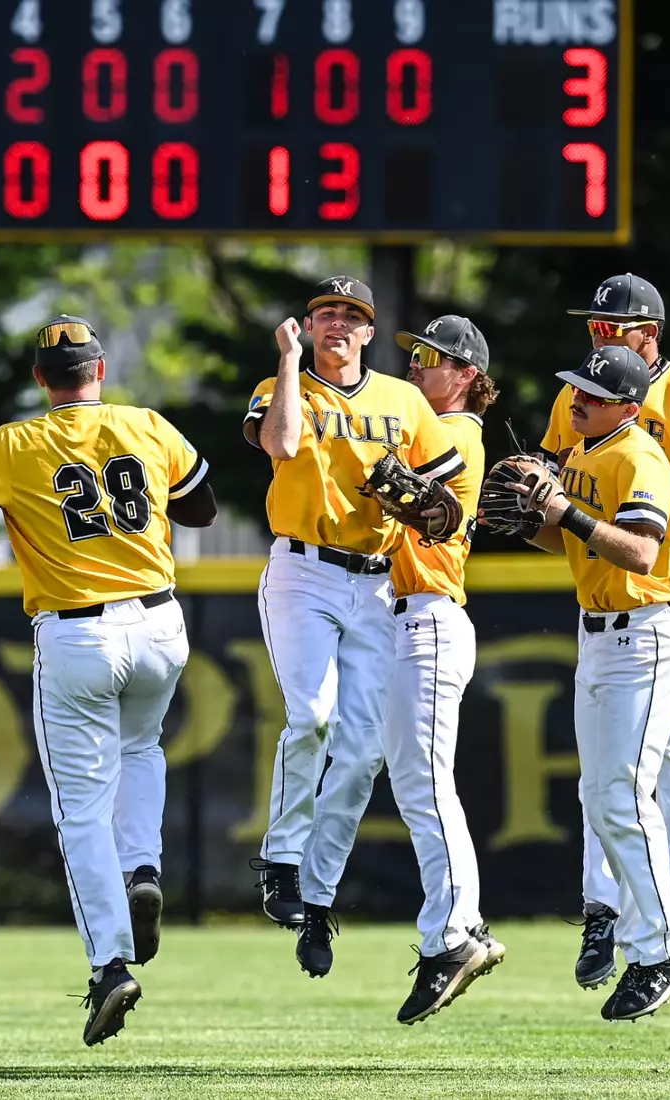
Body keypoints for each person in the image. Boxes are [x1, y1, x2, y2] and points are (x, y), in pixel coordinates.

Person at [0, 316, 216, 1046]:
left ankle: (110, 963)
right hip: (158, 622)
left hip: (78, 632)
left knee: (80, 810)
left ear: (39, 380)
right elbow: (202, 506)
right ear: (100, 373)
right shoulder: (145, 424)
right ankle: (143, 866)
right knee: (142, 750)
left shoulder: (15, 442)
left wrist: (9, 500)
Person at [242, 275, 465, 956]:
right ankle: (281, 859)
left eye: (350, 315)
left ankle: (316, 899)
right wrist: (285, 362)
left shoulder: (402, 399)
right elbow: (279, 446)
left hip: (375, 582)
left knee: (364, 751)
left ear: (369, 331)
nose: (336, 324)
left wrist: (424, 502)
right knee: (312, 716)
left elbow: (447, 486)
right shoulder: (283, 386)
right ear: (308, 327)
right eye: (324, 314)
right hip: (302, 572)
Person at [539, 274, 670, 989]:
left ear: (649, 331)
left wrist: (629, 518)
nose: (596, 332)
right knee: (612, 770)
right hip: (607, 579)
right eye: (592, 323)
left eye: (608, 325)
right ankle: (606, 909)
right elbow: (553, 480)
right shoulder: (581, 394)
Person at [502, 344, 670, 1021]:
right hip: (600, 636)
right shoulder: (586, 453)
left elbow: (642, 551)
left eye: (591, 391)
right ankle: (654, 939)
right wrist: (531, 521)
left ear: (627, 404)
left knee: (621, 793)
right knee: (603, 795)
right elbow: (572, 540)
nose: (576, 398)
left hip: (642, 634)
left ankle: (663, 945)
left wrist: (566, 512)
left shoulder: (638, 455)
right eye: (575, 387)